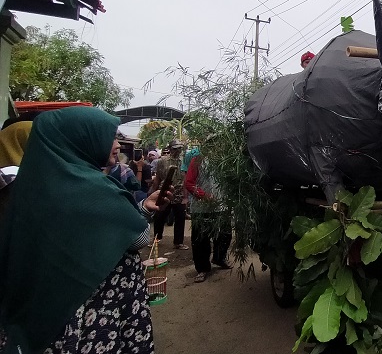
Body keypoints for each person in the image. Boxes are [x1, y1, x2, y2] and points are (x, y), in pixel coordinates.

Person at [0, 106, 172, 354]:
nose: (117, 145)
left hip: (53, 317)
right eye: (109, 136)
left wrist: (143, 206)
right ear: (82, 140)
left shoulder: (33, 190)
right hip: (101, 314)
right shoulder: (93, 190)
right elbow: (139, 238)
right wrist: (143, 212)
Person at [184, 154, 232, 283]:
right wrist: (204, 195)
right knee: (201, 239)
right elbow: (189, 183)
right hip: (201, 208)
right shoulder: (197, 160)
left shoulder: (226, 159)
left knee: (225, 234)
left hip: (221, 206)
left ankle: (219, 258)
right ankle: (202, 269)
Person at [151, 139, 189, 249]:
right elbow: (158, 178)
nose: (177, 151)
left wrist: (186, 197)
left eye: (179, 149)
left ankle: (178, 242)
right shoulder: (162, 161)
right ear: (170, 149)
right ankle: (156, 239)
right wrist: (154, 193)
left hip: (179, 193)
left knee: (180, 218)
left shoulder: (183, 161)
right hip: (164, 191)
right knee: (160, 216)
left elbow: (186, 179)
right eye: (175, 148)